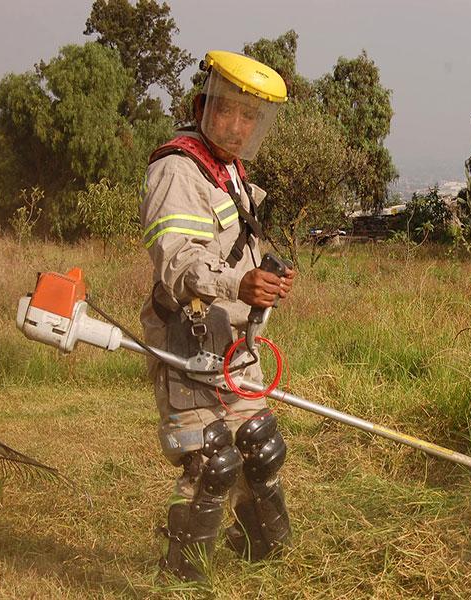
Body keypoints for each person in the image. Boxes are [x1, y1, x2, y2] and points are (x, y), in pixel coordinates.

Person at [139, 51, 295, 582]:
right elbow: (177, 262)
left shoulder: (227, 170)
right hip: (186, 340)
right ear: (203, 105)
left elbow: (235, 250)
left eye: (249, 117)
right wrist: (237, 283)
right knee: (212, 462)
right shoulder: (177, 169)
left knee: (260, 444)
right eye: (227, 111)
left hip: (233, 342)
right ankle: (181, 576)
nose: (237, 125)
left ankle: (260, 555)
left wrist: (266, 281)